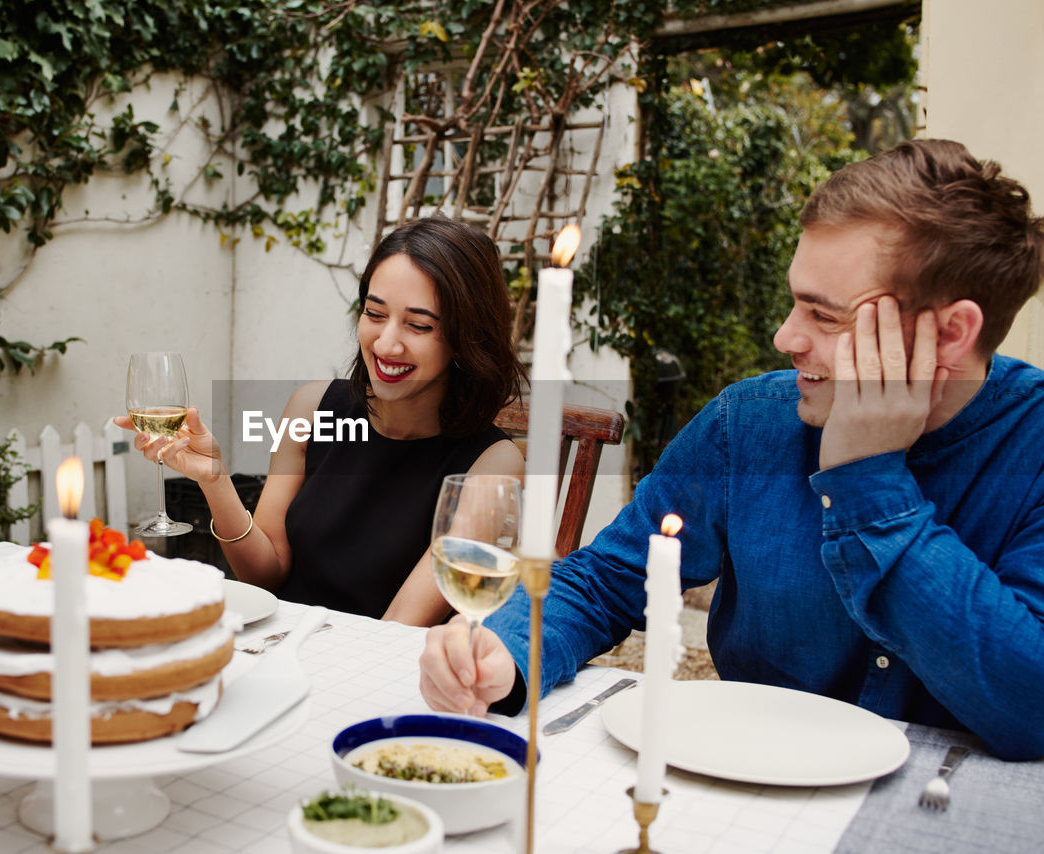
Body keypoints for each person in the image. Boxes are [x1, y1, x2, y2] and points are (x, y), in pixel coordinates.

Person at [419, 139, 1044, 761]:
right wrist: (506, 648)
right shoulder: (748, 425)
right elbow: (609, 577)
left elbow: (1032, 705)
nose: (784, 337)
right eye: (795, 301)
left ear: (952, 333)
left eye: (825, 317)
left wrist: (870, 484)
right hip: (748, 788)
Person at [119, 216, 525, 625]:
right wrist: (215, 480)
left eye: (419, 325)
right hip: (278, 647)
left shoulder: (492, 464)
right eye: (375, 313)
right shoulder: (310, 409)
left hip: (370, 674)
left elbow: (399, 628)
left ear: (466, 336)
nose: (386, 344)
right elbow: (264, 577)